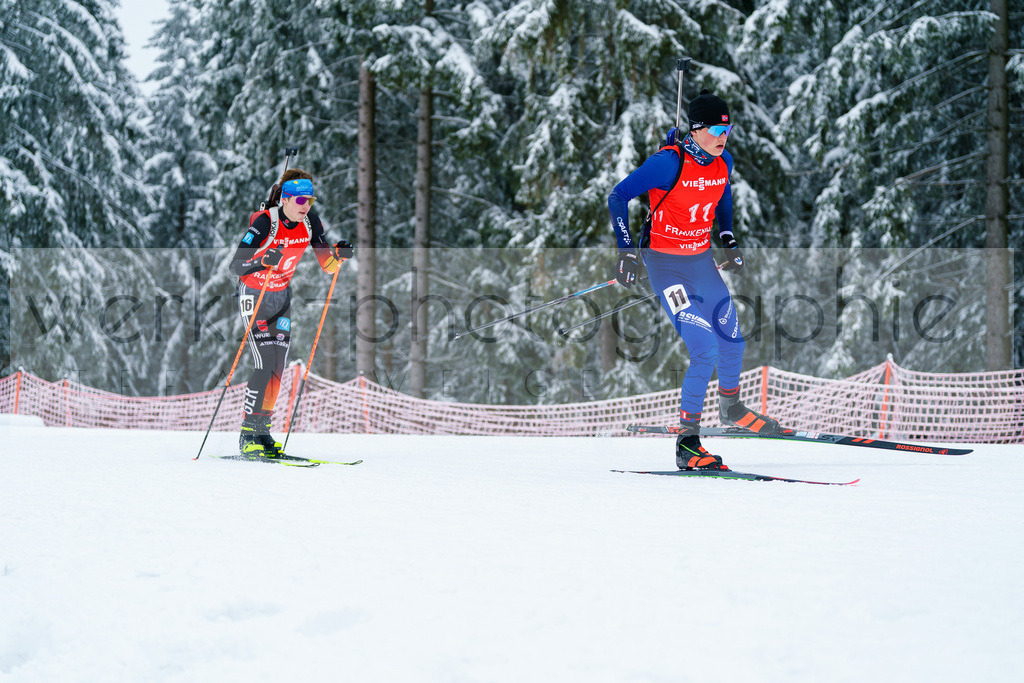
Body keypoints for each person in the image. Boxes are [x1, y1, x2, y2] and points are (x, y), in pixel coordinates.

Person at [608, 89, 780, 471]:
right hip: (667, 268)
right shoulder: (667, 163)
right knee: (704, 348)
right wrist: (625, 250)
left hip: (701, 263)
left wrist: (729, 238)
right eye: (717, 130)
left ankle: (731, 405)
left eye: (728, 129)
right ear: (697, 129)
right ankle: (687, 445)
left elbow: (723, 197)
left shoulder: (724, 162)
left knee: (732, 338)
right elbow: (618, 196)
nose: (724, 137)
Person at [229, 169, 353, 457]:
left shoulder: (310, 222)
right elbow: (236, 265)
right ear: (285, 199)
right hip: (254, 294)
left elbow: (328, 266)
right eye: (300, 199)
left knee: (278, 366)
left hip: (281, 297)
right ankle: (248, 435)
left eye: (309, 200)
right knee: (264, 361)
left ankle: (263, 430)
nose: (305, 206)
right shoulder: (266, 223)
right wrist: (262, 262)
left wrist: (339, 256)